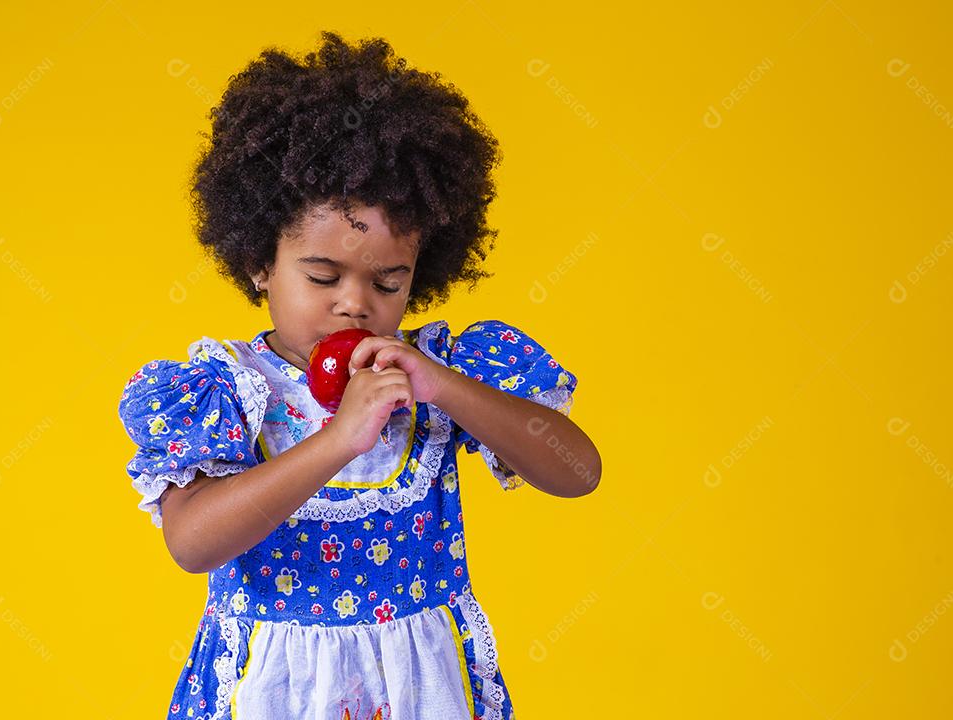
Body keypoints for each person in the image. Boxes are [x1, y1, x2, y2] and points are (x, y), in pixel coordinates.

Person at [117, 30, 601, 720]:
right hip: (272, 691)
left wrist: (443, 385)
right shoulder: (226, 391)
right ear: (259, 262)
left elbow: (577, 472)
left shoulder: (436, 373)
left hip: (421, 689)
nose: (355, 302)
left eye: (389, 280)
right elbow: (192, 543)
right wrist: (338, 440)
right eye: (322, 275)